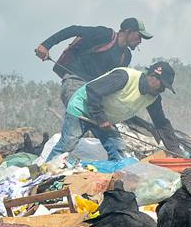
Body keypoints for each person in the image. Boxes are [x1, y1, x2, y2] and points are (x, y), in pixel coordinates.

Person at [47, 61, 180, 161]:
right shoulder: (125, 77)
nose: (163, 89)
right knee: (67, 145)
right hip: (82, 110)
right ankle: (43, 178)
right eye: (162, 84)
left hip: (103, 119)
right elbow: (93, 90)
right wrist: (101, 118)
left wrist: (175, 149)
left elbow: (161, 123)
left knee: (117, 149)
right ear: (152, 76)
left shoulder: (153, 98)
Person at [35, 18, 152, 106]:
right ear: (128, 31)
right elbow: (74, 29)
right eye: (139, 36)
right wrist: (46, 45)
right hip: (75, 82)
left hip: (94, 92)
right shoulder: (104, 35)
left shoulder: (126, 57)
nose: (140, 41)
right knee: (78, 119)